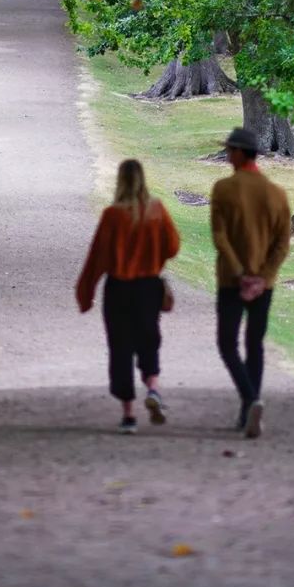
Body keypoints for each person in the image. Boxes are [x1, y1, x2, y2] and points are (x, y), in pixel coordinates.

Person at [76, 158, 180, 433]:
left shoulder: (113, 215)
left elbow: (97, 257)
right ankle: (153, 389)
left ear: (120, 181)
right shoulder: (157, 210)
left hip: (119, 290)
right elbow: (173, 246)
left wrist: (85, 292)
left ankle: (129, 415)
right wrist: (152, 254)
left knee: (120, 349)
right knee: (148, 339)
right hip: (149, 289)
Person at [210, 125, 291, 439]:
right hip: (264, 286)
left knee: (227, 343)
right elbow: (282, 245)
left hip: (231, 282)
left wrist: (240, 273)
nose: (228, 155)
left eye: (230, 150)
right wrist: (262, 277)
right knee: (254, 344)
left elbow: (220, 237)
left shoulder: (223, 189)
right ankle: (250, 406)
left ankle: (250, 400)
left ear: (241, 153)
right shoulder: (277, 194)